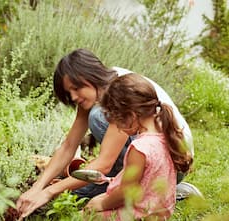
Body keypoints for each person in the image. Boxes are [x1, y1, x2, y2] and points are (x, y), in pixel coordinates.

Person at [16, 48, 200, 218]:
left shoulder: (120, 93)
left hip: (171, 164)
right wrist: (37, 188)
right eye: (68, 92)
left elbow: (103, 164)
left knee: (97, 117)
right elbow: (69, 146)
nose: (73, 97)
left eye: (76, 88)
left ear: (89, 76)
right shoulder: (98, 87)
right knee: (74, 193)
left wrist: (48, 192)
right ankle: (146, 189)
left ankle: (170, 189)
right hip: (158, 159)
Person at [83, 73, 192, 220]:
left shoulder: (140, 148)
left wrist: (101, 204)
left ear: (132, 116)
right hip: (159, 212)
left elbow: (125, 192)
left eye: (118, 121)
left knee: (84, 215)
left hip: (139, 214)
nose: (120, 129)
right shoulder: (165, 135)